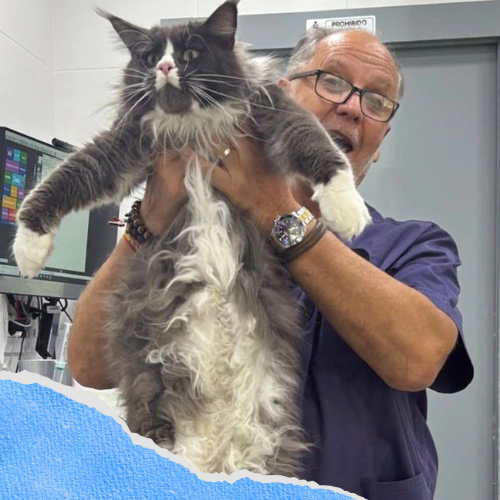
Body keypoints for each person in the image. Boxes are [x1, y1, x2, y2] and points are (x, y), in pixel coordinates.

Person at [68, 27, 474, 499]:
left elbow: (419, 358)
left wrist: (276, 211)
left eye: (377, 101)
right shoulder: (199, 234)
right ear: (279, 96)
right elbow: (88, 365)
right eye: (332, 81)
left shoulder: (414, 245)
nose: (352, 107)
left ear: (381, 142)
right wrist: (148, 222)